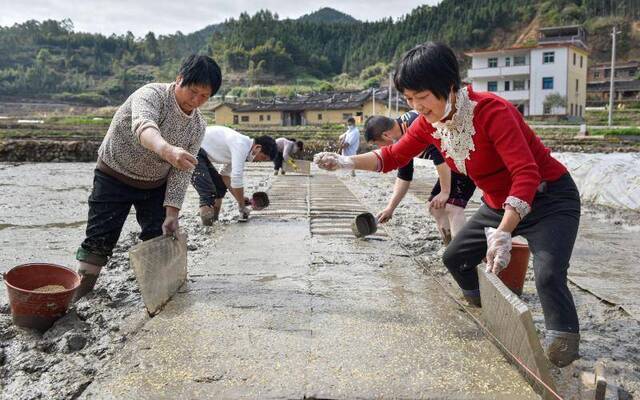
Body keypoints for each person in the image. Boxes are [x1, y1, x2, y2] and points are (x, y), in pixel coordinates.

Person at [314, 42, 581, 367]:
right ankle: (489, 311)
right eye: (409, 99)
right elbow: (392, 155)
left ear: (448, 86)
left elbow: (526, 173)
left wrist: (503, 232)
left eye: (422, 97)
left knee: (548, 274)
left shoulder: (492, 111)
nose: (416, 106)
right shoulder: (427, 124)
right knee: (455, 258)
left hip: (548, 197)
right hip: (498, 202)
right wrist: (346, 162)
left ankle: (563, 339)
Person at [75, 54, 222, 299]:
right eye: (193, 92)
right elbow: (143, 126)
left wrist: (172, 213)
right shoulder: (151, 95)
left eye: (205, 97)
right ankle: (80, 293)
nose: (196, 101)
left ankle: (157, 294)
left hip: (155, 185)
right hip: (114, 174)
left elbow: (182, 171)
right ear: (179, 79)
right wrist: (167, 150)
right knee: (100, 238)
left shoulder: (197, 126)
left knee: (159, 237)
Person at [364, 112, 476, 243]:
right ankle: (450, 247)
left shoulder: (415, 126)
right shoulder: (401, 134)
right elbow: (404, 176)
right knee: (435, 207)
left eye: (377, 144)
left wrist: (445, 191)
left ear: (386, 135)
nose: (380, 148)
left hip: (466, 156)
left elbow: (441, 157)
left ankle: (463, 257)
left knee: (452, 206)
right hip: (453, 162)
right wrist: (390, 208)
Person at [192, 126, 276, 224]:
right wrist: (242, 207)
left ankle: (214, 220)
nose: (259, 161)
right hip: (192, 148)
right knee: (208, 193)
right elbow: (236, 178)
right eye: (263, 157)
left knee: (219, 186)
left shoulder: (242, 148)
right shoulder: (241, 145)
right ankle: (207, 228)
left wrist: (239, 199)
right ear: (257, 148)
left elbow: (225, 176)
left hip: (202, 153)